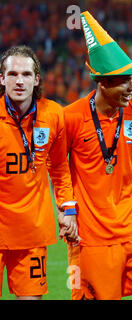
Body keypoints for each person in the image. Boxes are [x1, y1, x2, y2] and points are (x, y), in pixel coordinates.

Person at [64, 11, 132, 300]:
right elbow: (58, 171)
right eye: (125, 82)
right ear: (102, 83)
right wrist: (66, 211)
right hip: (91, 238)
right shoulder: (69, 118)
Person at [0, 45, 78, 300]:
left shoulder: (53, 114)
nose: (19, 81)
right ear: (2, 79)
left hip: (32, 234)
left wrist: (68, 210)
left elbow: (60, 168)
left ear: (37, 79)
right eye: (12, 74)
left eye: (26, 74)